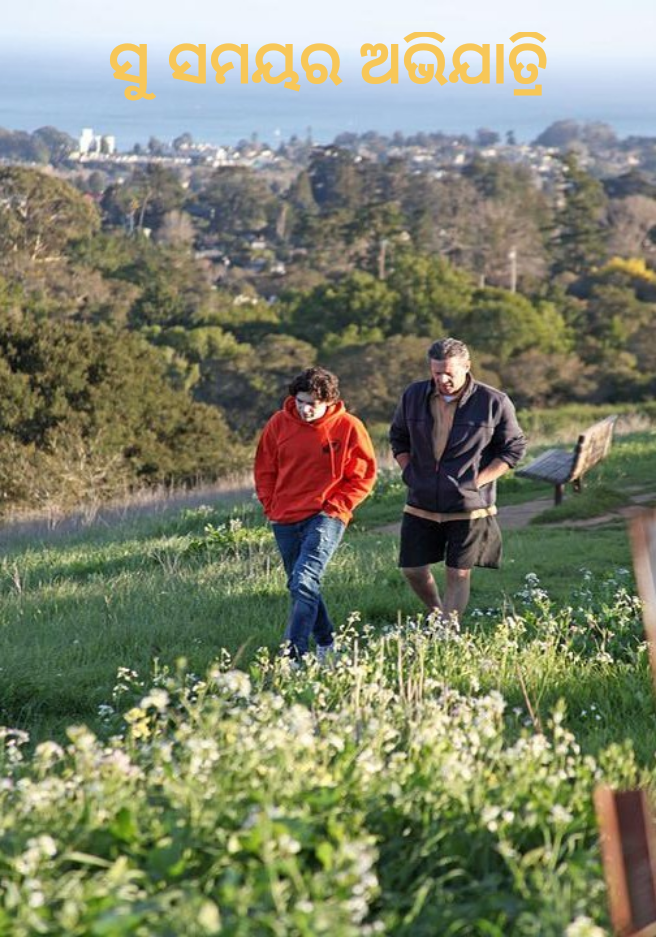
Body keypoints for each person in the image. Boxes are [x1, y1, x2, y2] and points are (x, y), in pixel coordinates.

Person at [389, 337, 526, 626]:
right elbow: (398, 437)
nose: (442, 379)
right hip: (420, 502)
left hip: (469, 506)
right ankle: (437, 613)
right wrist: (409, 472)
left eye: (449, 372)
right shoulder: (413, 395)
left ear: (467, 366)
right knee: (412, 569)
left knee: (458, 573)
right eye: (436, 372)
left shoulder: (494, 401)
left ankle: (447, 632)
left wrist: (477, 482)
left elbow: (513, 448)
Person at [254, 367, 377, 660]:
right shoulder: (278, 423)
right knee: (300, 584)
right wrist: (271, 506)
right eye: (300, 401)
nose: (305, 409)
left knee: (304, 579)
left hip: (326, 515)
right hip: (284, 517)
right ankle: (327, 644)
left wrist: (337, 507)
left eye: (313, 404)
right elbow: (264, 468)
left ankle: (293, 655)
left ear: (329, 401)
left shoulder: (349, 426)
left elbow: (363, 476)